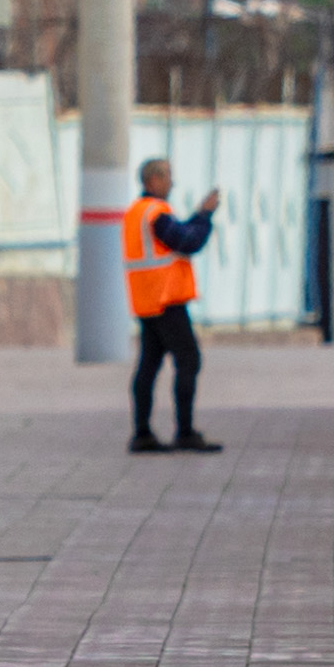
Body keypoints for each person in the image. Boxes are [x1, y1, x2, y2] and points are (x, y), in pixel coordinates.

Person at [124, 158, 222, 453]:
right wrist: (204, 217)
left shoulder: (138, 213)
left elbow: (178, 235)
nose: (171, 182)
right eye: (167, 176)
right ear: (152, 181)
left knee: (149, 365)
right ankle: (184, 431)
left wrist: (199, 214)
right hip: (166, 299)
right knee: (189, 360)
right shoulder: (156, 213)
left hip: (148, 300)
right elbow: (187, 242)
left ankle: (142, 433)